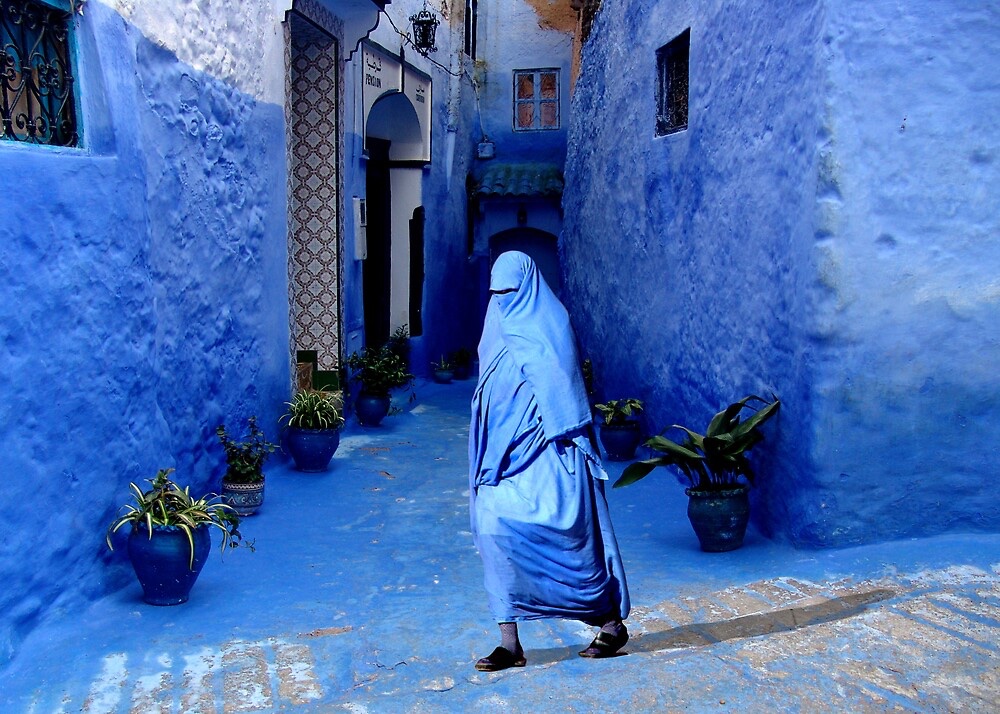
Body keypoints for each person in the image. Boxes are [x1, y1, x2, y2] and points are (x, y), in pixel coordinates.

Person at [468, 250, 630, 672]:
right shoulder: (495, 324)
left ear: (527, 286)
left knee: (570, 542)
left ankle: (610, 624)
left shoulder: (552, 322)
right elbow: (487, 391)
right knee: (492, 527)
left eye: (509, 291)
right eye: (496, 292)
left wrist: (576, 441)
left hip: (553, 452)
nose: (502, 299)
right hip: (503, 458)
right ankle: (509, 643)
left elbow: (567, 387)